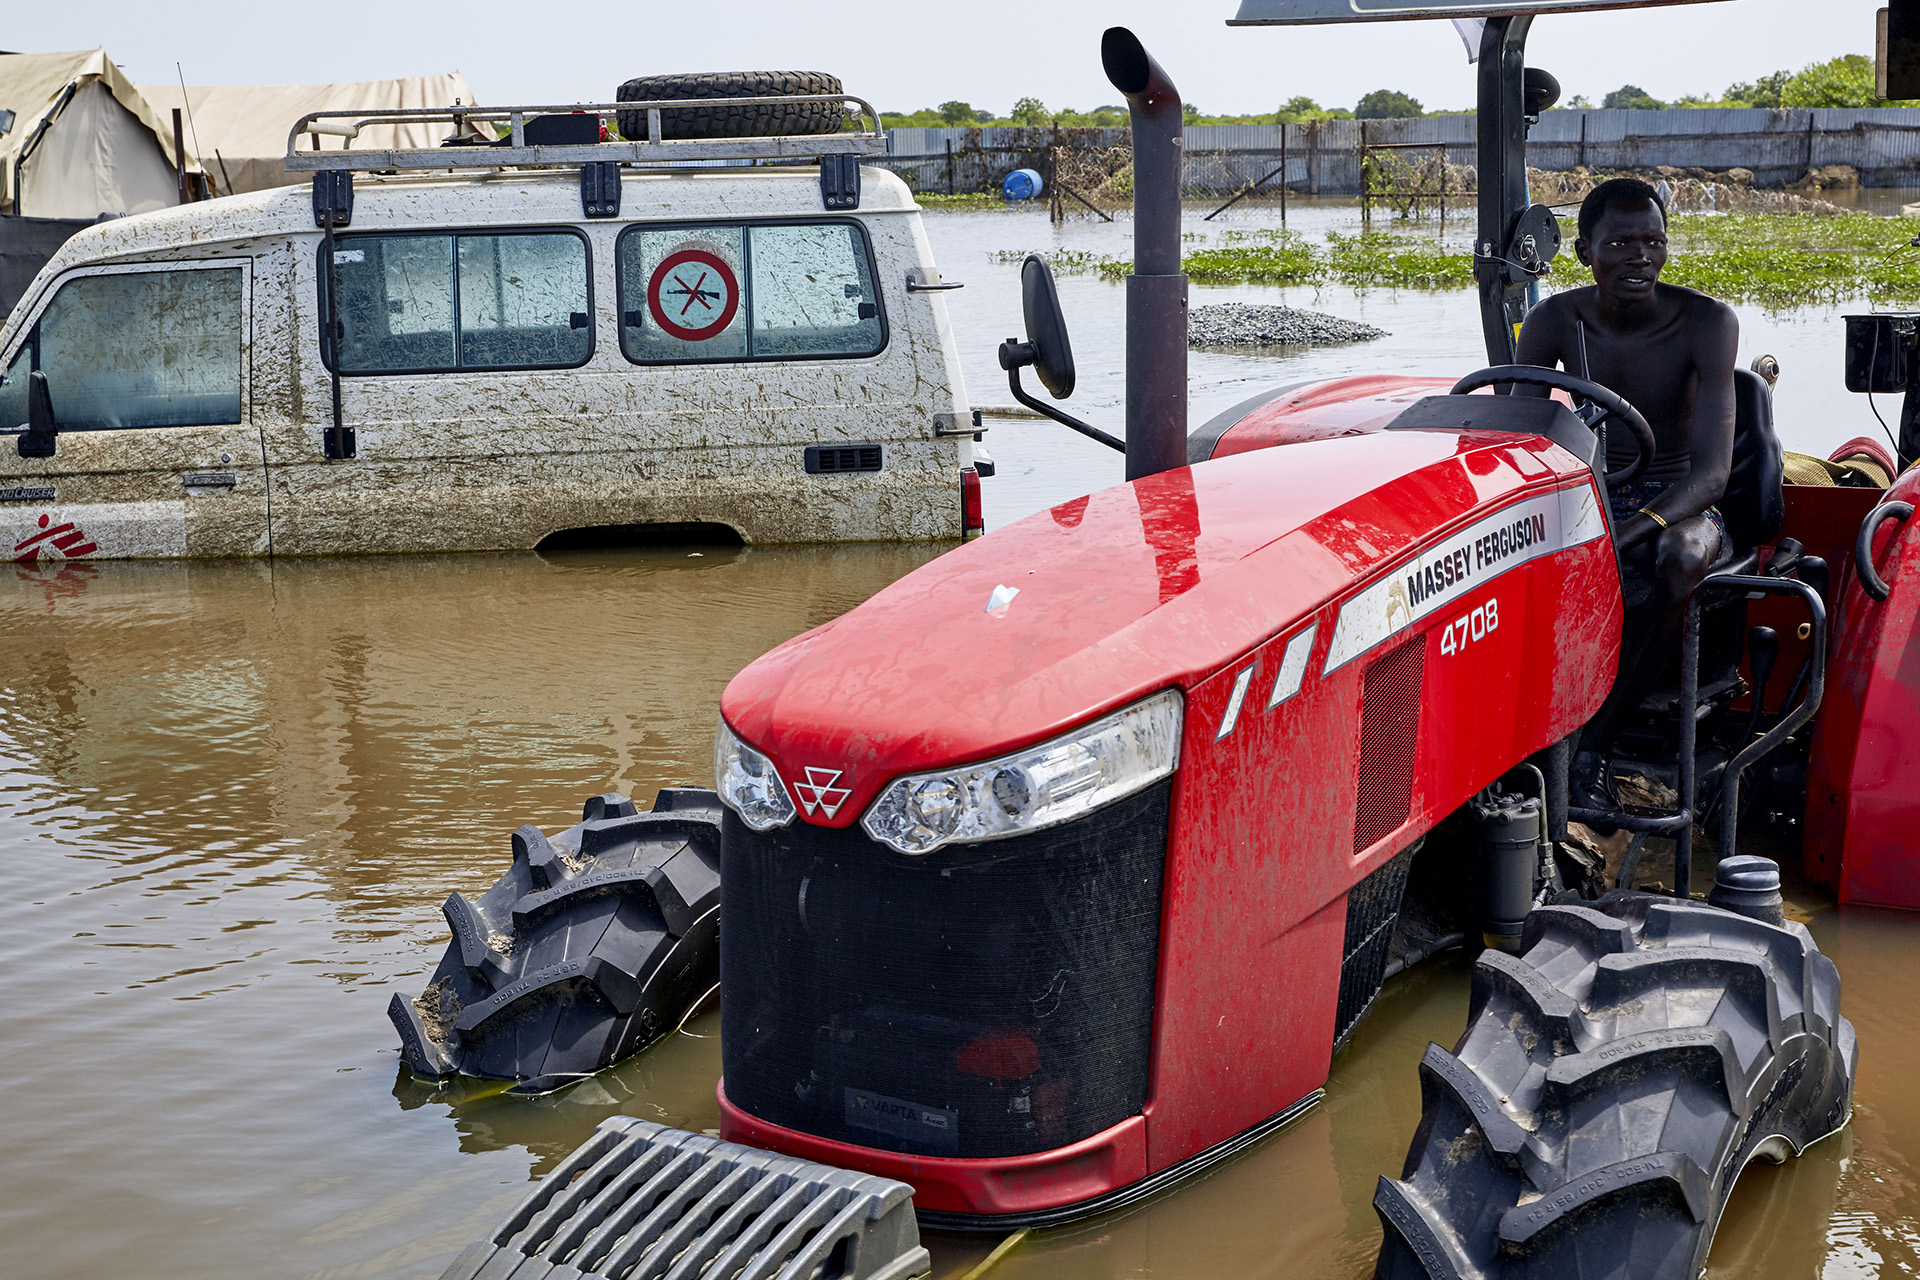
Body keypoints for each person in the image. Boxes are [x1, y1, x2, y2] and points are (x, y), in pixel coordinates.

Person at [1513, 177, 1739, 808]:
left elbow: (1713, 474)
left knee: (1682, 560)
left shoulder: (1707, 322)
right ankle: (1517, 736)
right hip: (1595, 489)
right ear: (1585, 250)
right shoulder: (1555, 320)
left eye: (1652, 241)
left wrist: (1630, 530)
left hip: (1682, 499)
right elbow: (1515, 441)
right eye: (1620, 242)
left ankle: (1595, 747)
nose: (1639, 255)